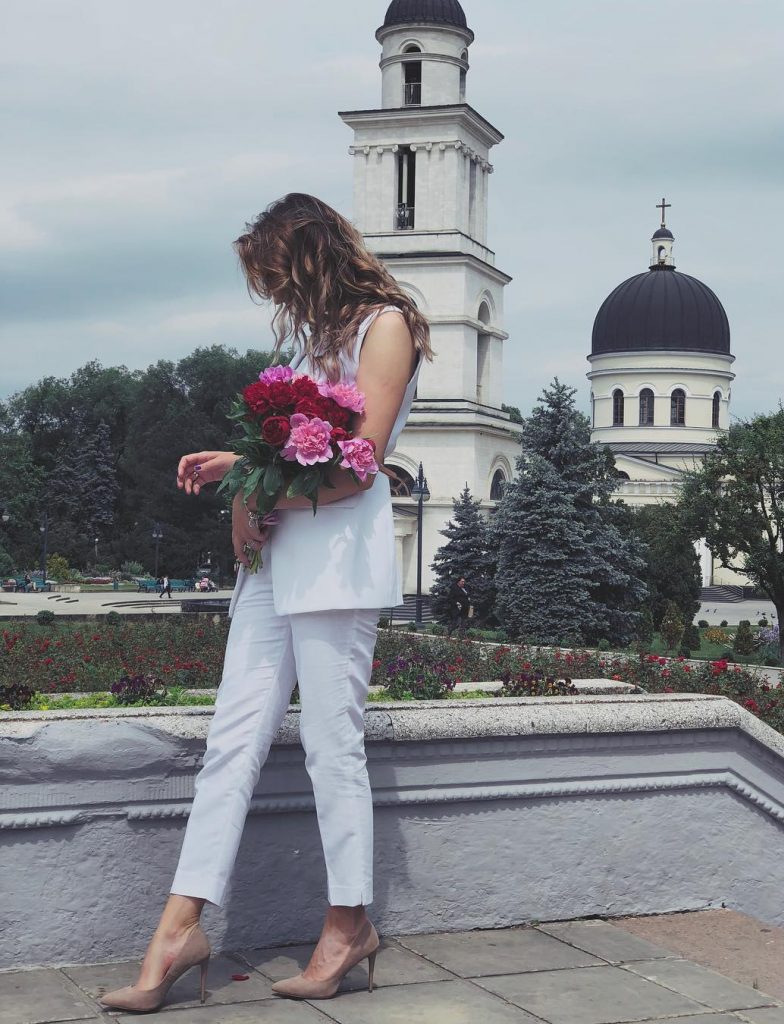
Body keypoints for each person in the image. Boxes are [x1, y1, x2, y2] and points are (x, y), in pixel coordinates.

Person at [100, 193, 432, 1013]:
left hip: (337, 567)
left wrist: (252, 480)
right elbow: (289, 452)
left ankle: (347, 925)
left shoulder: (382, 326)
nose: (276, 295)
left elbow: (359, 466)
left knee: (330, 748)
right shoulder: (319, 342)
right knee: (230, 742)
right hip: (276, 564)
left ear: (312, 256)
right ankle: (178, 931)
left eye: (279, 276)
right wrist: (239, 477)